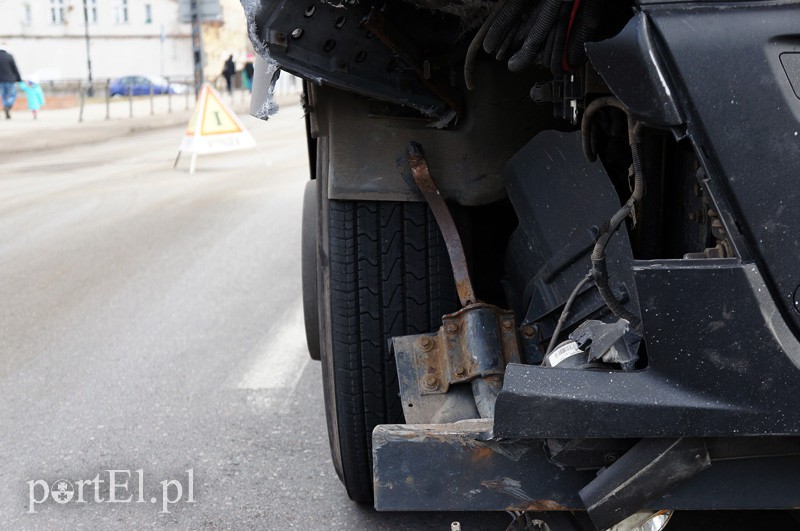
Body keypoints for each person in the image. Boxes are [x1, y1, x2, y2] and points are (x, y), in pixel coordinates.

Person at [0, 43, 22, 119]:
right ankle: (8, 105)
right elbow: (14, 68)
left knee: (4, 95)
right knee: (12, 94)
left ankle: (5, 105)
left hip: (0, 80)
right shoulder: (9, 56)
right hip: (9, 79)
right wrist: (19, 79)